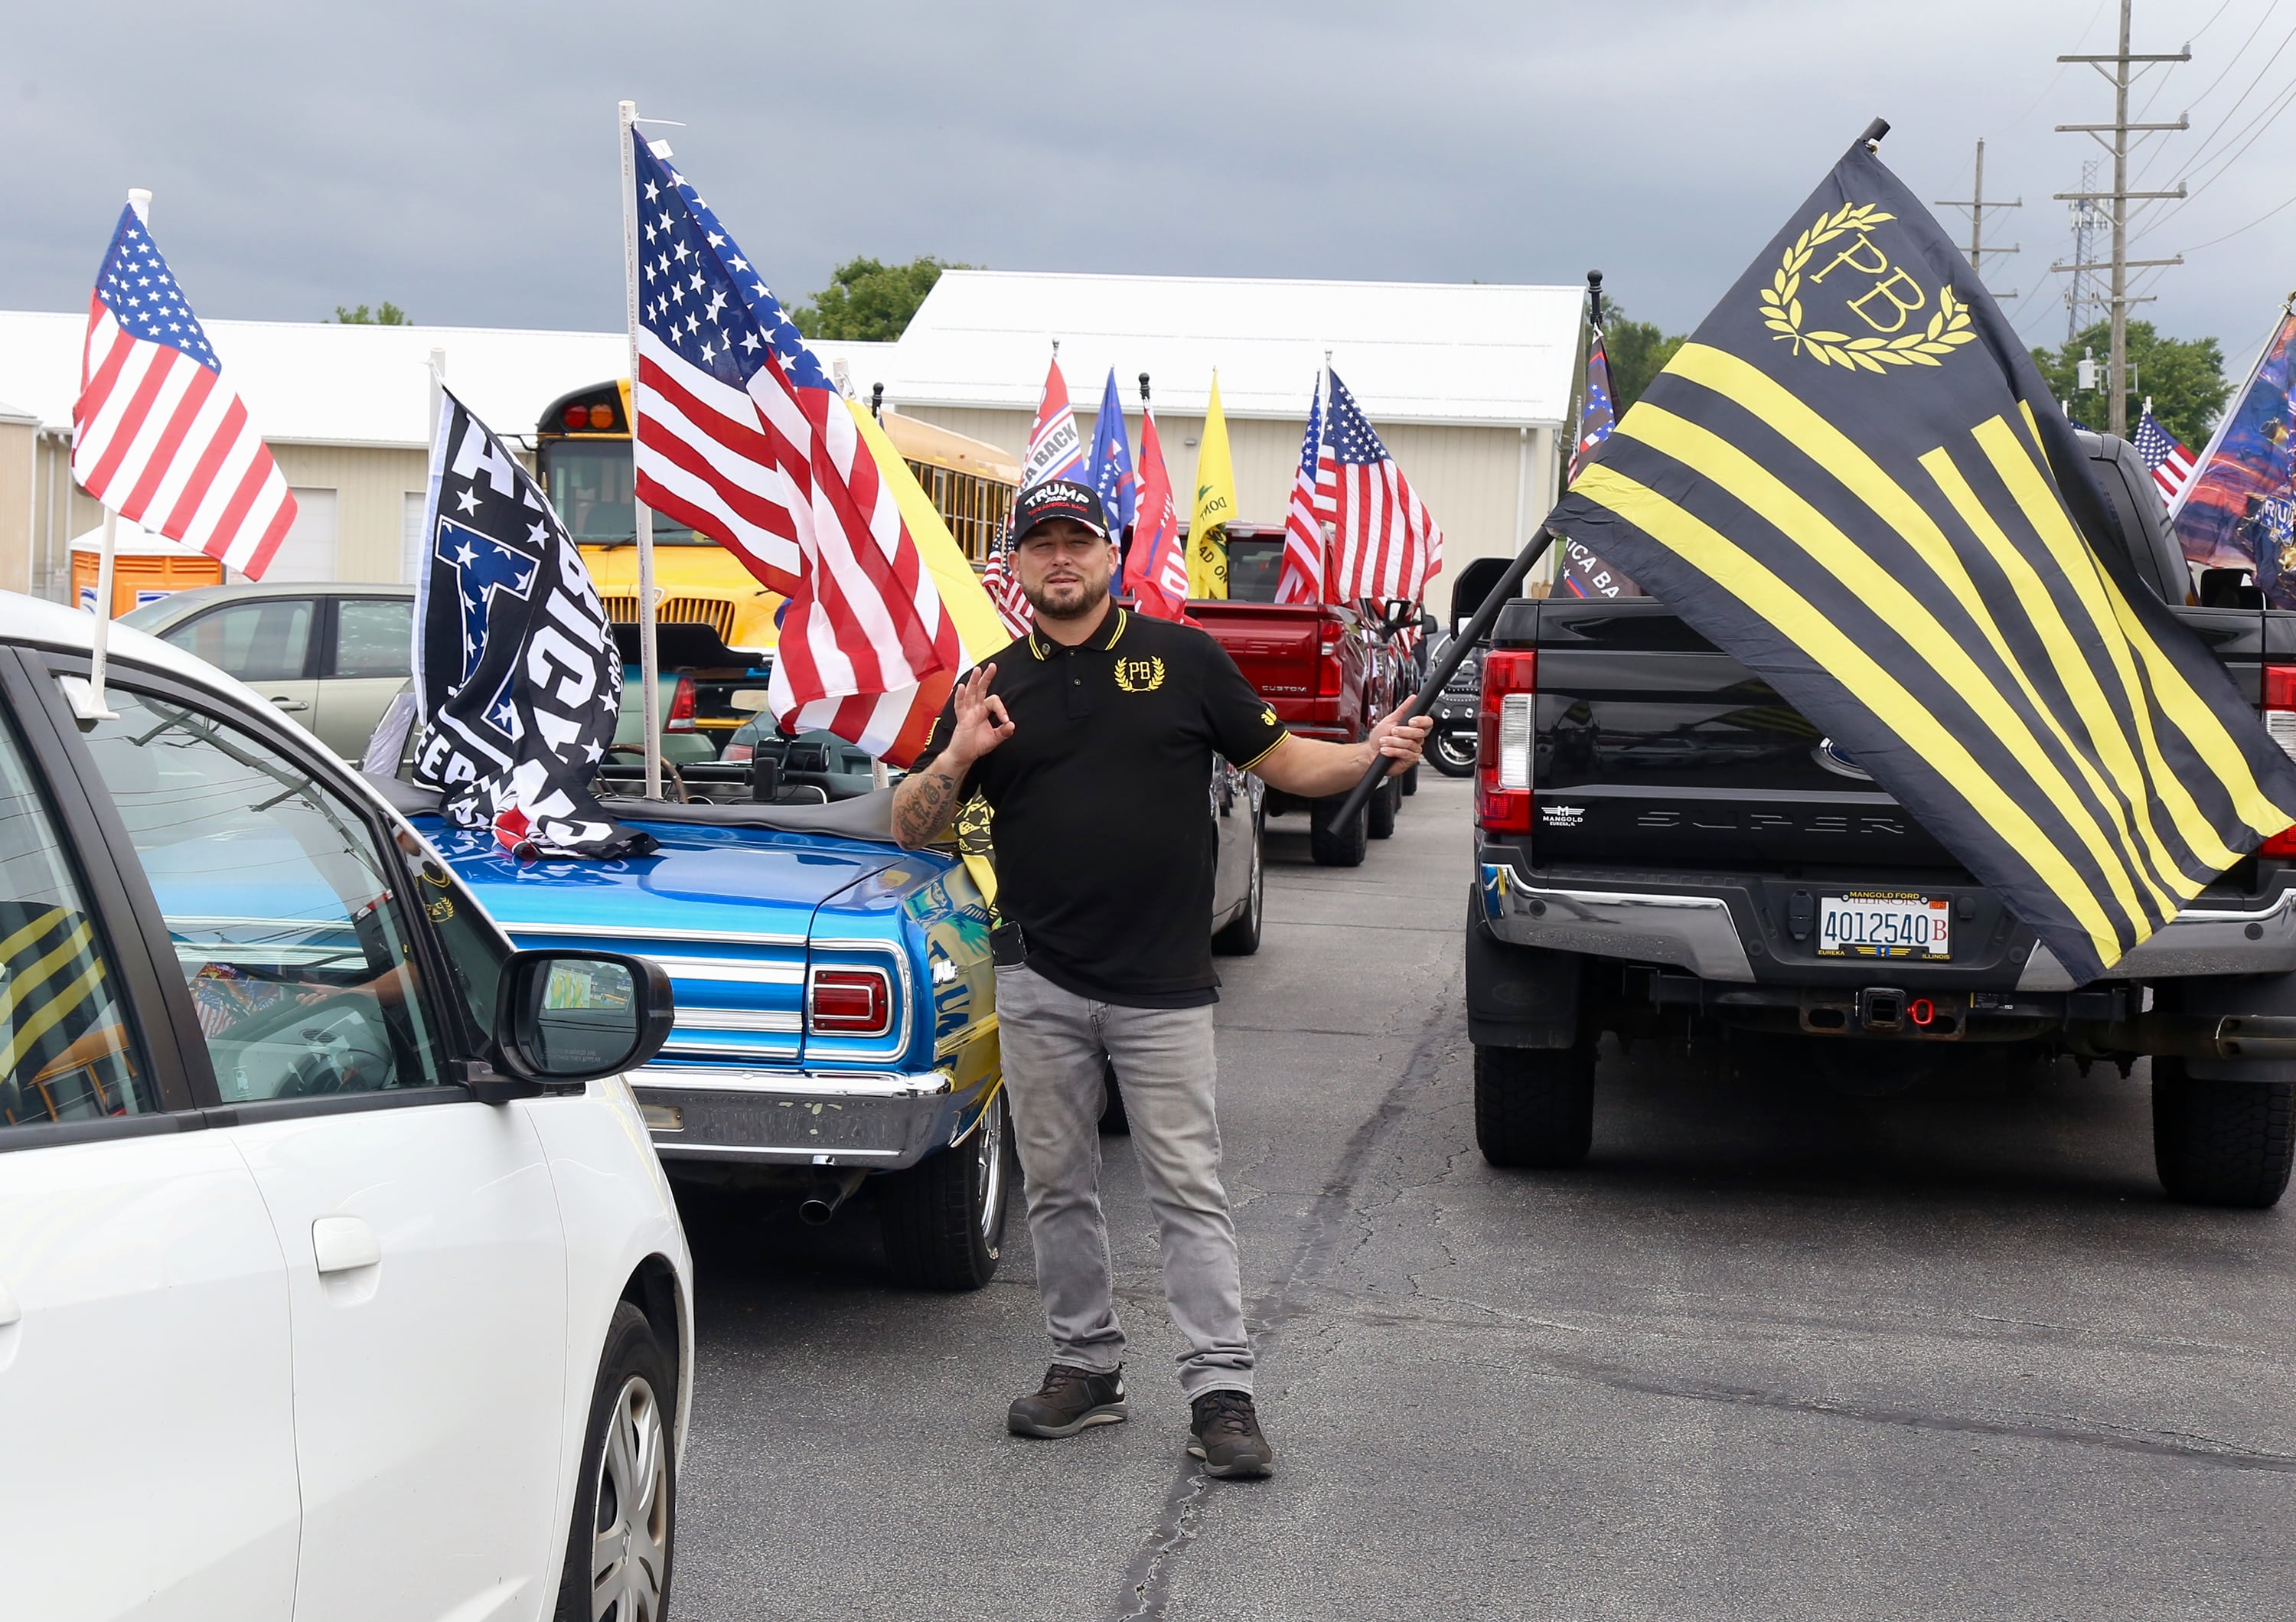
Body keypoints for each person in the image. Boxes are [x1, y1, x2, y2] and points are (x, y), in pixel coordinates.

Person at [892, 478, 1430, 1480]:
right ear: (1013, 565)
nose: (1061, 559)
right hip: (1041, 981)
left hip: (1164, 988)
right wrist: (960, 754)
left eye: (1079, 542)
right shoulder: (993, 683)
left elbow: (1283, 763)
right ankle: (1085, 1369)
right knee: (1057, 1188)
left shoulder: (1183, 660)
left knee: (1188, 1191)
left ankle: (1221, 1395)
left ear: (1113, 554)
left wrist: (1371, 754)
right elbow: (911, 827)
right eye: (1041, 543)